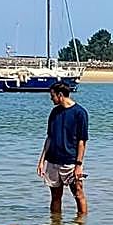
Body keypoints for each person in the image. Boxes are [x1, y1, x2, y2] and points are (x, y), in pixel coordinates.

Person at [37, 82, 89, 215]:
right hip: (52, 161)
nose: (51, 99)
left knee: (78, 193)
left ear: (60, 95)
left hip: (70, 162)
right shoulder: (54, 112)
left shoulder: (80, 113)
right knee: (55, 197)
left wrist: (78, 165)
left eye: (52, 96)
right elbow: (49, 137)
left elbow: (82, 141)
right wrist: (41, 161)